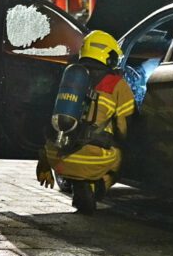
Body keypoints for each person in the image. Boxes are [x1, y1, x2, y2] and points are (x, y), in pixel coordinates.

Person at [36, 30, 135, 213]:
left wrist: (44, 160)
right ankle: (96, 187)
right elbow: (124, 129)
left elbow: (47, 117)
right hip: (94, 161)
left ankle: (76, 183)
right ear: (107, 55)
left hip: (56, 159)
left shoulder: (67, 77)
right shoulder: (116, 84)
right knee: (121, 156)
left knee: (75, 152)